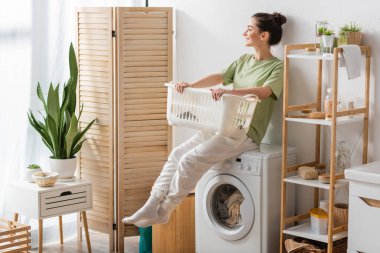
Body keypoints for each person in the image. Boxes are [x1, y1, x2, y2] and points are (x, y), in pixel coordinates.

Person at [122, 12, 287, 227]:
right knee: (177, 154)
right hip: (223, 125)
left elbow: (264, 92)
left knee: (190, 160)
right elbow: (219, 77)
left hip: (246, 133)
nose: (244, 32)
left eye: (249, 28)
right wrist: (189, 85)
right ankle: (152, 204)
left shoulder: (277, 67)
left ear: (264, 35)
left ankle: (166, 210)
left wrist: (230, 93)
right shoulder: (243, 60)